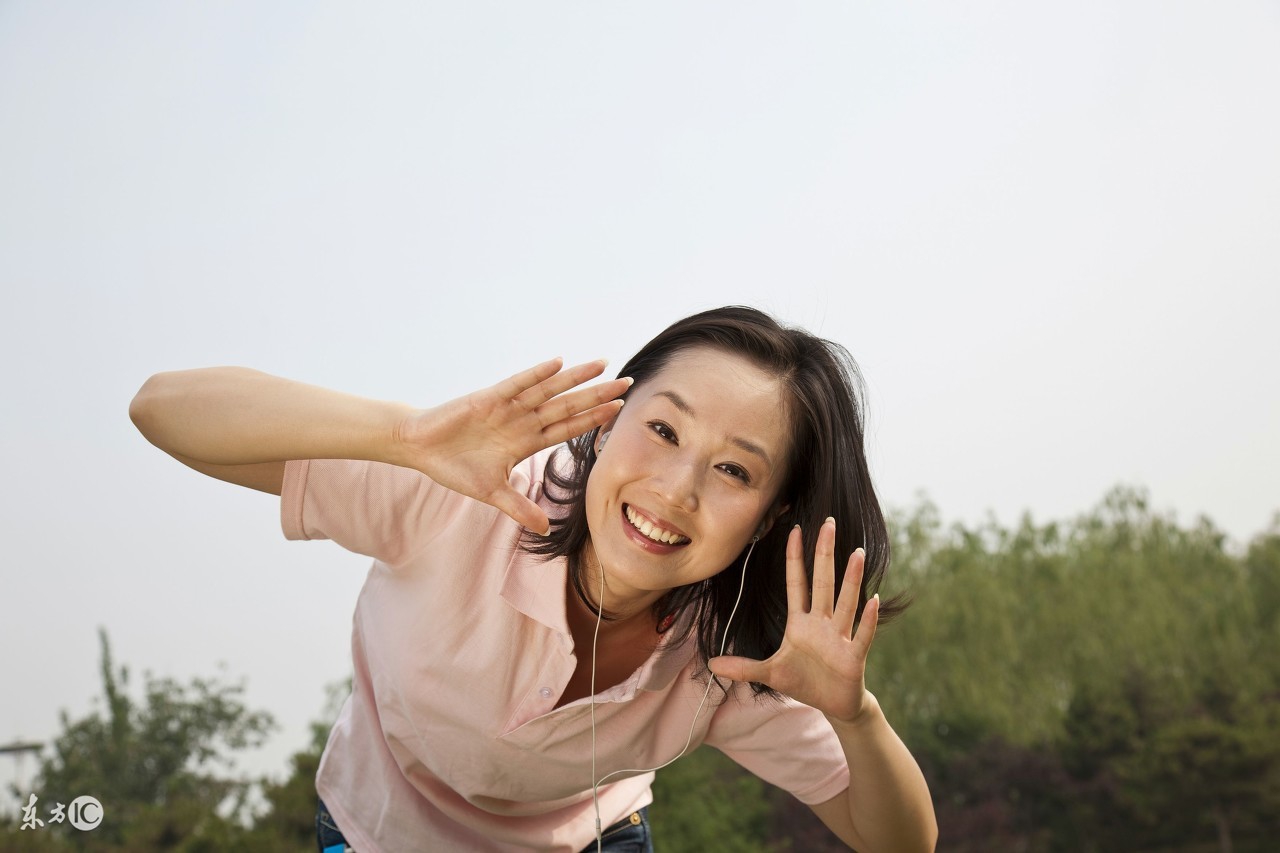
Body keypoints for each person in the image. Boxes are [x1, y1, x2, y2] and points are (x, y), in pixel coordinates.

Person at [129, 305, 937, 852]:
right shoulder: (469, 492)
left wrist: (856, 714)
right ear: (606, 421)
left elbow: (898, 839)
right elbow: (162, 407)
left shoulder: (731, 657)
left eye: (731, 468)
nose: (674, 489)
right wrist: (405, 436)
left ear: (768, 516)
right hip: (381, 829)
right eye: (661, 429)